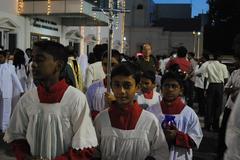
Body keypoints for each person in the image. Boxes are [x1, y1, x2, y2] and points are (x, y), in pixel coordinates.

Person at [3, 41, 98, 160]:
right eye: (33, 58)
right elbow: (16, 137)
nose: (33, 64)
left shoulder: (76, 99)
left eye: (40, 59)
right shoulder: (28, 99)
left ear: (58, 65)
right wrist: (25, 156)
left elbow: (85, 146)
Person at [94, 62, 169, 160]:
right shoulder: (101, 119)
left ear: (137, 87)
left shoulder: (149, 121)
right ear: (111, 86)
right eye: (117, 85)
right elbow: (94, 152)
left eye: (127, 86)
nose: (121, 91)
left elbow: (161, 154)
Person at [147, 70, 203, 160]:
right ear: (161, 89)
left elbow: (195, 140)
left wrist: (177, 136)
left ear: (181, 90)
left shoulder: (189, 114)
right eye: (166, 86)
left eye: (174, 86)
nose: (170, 89)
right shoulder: (151, 111)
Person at [86, 49, 121, 119]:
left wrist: (114, 103)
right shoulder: (93, 88)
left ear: (119, 65)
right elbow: (87, 112)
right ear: (102, 65)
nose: (109, 68)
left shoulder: (124, 89)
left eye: (113, 64)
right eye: (105, 64)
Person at [204, 53, 229, 131]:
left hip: (211, 86)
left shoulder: (209, 65)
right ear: (219, 57)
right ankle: (215, 126)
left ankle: (207, 125)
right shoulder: (223, 66)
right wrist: (225, 87)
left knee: (209, 106)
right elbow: (226, 79)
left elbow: (206, 78)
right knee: (218, 106)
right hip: (219, 86)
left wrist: (205, 89)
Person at [0, 50, 24, 132]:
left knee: (6, 110)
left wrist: (21, 90)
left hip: (7, 91)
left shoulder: (10, 67)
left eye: (1, 57)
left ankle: (5, 127)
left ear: (5, 57)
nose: (0, 59)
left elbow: (15, 79)